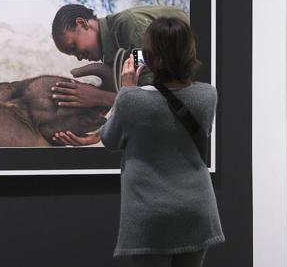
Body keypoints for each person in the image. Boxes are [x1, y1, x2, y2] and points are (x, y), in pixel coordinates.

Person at [55, 17, 224, 266]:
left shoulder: (132, 100)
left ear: (150, 57)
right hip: (197, 208)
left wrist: (127, 89)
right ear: (189, 51)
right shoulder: (208, 94)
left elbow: (111, 139)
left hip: (150, 212)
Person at [50, 3, 188, 145]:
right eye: (72, 54)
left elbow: (158, 102)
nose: (78, 57)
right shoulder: (114, 53)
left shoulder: (130, 27)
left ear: (82, 24)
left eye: (74, 47)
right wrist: (98, 135)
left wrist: (98, 97)